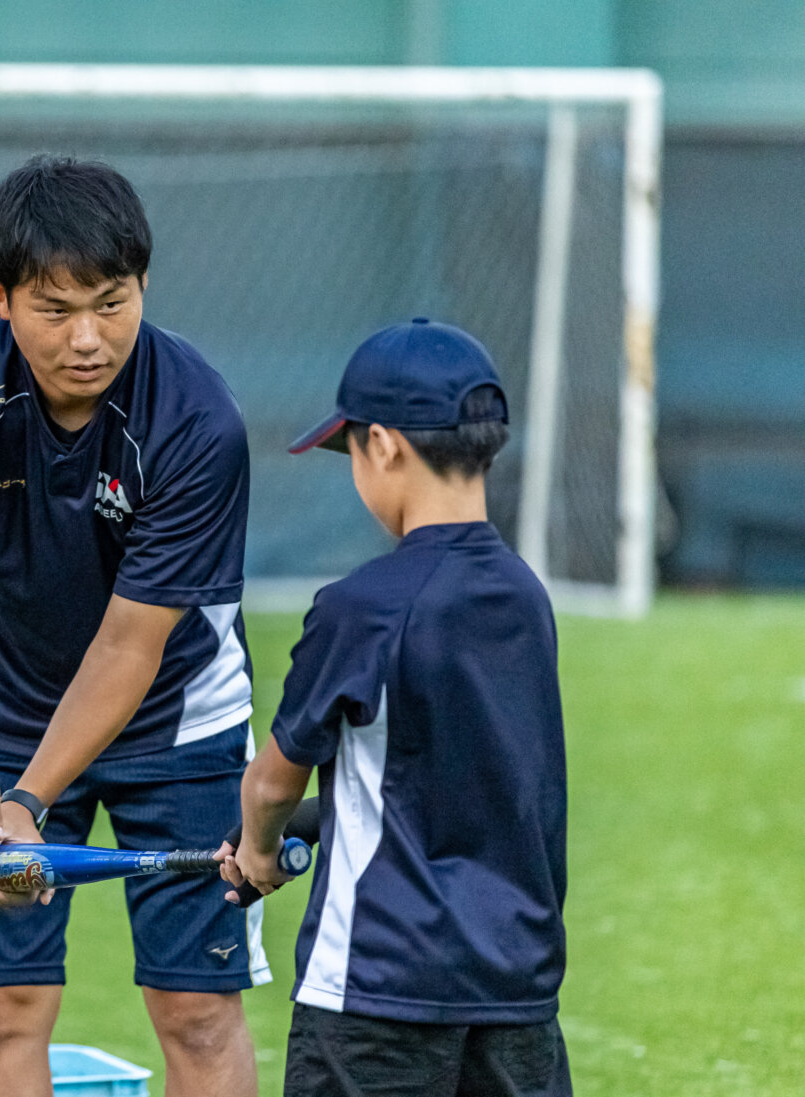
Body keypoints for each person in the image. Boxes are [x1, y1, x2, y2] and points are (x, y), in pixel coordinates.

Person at [0, 155, 266, 1097]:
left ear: (144, 286)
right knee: (2, 1010)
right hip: (0, 713)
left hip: (179, 725)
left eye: (112, 303)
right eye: (55, 308)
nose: (88, 337)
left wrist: (27, 803)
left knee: (198, 1014)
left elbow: (132, 642)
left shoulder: (196, 420)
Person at [219, 318, 571, 1097]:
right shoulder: (526, 597)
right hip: (518, 995)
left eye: (348, 453)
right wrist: (320, 821)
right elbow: (461, 779)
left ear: (383, 445)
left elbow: (272, 783)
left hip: (377, 992)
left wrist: (259, 847)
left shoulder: (361, 607)